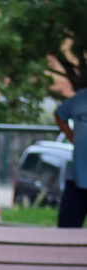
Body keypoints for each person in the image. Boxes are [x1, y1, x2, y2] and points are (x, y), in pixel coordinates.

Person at [54, 81, 87, 228]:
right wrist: (71, 135)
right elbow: (59, 114)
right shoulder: (80, 98)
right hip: (77, 178)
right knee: (66, 229)